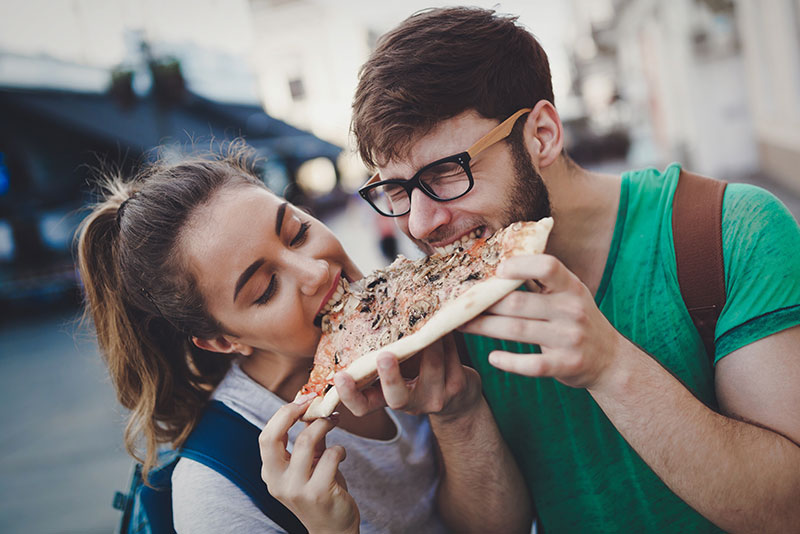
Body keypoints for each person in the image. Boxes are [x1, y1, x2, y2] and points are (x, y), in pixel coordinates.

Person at [335, 6, 800, 534]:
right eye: (396, 190)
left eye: (446, 172)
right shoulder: (449, 315)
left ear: (542, 135)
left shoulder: (727, 231)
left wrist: (610, 367)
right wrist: (458, 416)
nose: (420, 224)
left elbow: (788, 509)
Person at [76, 144, 529, 533]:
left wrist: (457, 412)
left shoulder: (413, 321)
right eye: (265, 289)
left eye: (298, 232)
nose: (316, 271)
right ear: (222, 341)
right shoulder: (216, 493)